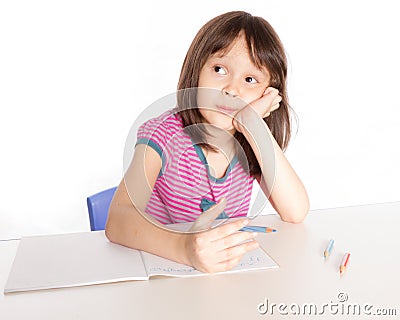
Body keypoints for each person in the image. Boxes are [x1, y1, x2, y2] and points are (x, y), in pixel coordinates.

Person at [105, 11, 309, 273]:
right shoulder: (162, 134)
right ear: (197, 71)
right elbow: (118, 219)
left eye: (250, 80)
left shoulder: (250, 142)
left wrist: (252, 124)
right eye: (219, 69)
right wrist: (185, 249)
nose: (231, 90)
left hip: (218, 279)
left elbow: (295, 211)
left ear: (269, 93)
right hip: (163, 274)